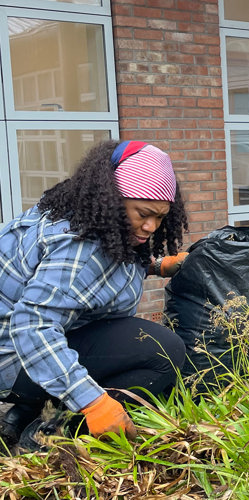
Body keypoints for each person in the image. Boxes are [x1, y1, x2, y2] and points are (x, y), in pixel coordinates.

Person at [0, 139, 189, 451]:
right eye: (143, 213)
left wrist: (155, 265)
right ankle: (54, 431)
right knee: (162, 351)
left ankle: (21, 415)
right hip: (16, 356)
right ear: (112, 199)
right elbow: (32, 326)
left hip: (13, 348)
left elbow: (89, 283)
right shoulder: (79, 249)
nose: (151, 226)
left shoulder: (86, 218)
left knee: (120, 337)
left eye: (160, 217)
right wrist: (94, 402)